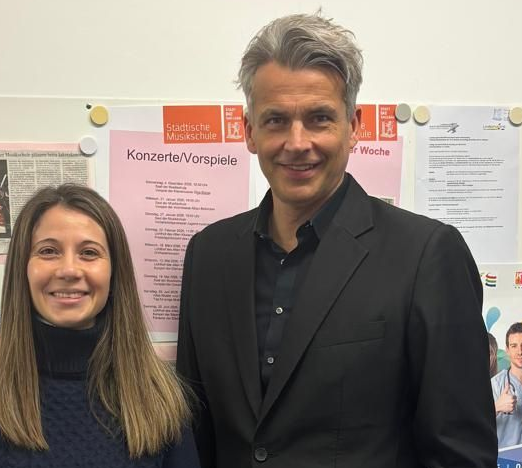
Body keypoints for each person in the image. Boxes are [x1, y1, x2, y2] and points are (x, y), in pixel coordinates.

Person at [176, 12, 497, 467]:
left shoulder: (426, 256)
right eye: (275, 120)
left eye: (319, 118)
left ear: (354, 126)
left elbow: (460, 455)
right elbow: (195, 438)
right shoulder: (208, 254)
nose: (297, 142)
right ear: (248, 131)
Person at [0, 184, 200, 468]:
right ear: (22, 269)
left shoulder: (159, 394)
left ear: (114, 272)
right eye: (48, 251)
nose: (69, 270)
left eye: (89, 253)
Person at [492, 322, 522, 447]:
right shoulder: (495, 384)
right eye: (514, 346)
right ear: (507, 350)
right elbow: (475, 425)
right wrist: (496, 407)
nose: (520, 351)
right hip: (507, 456)